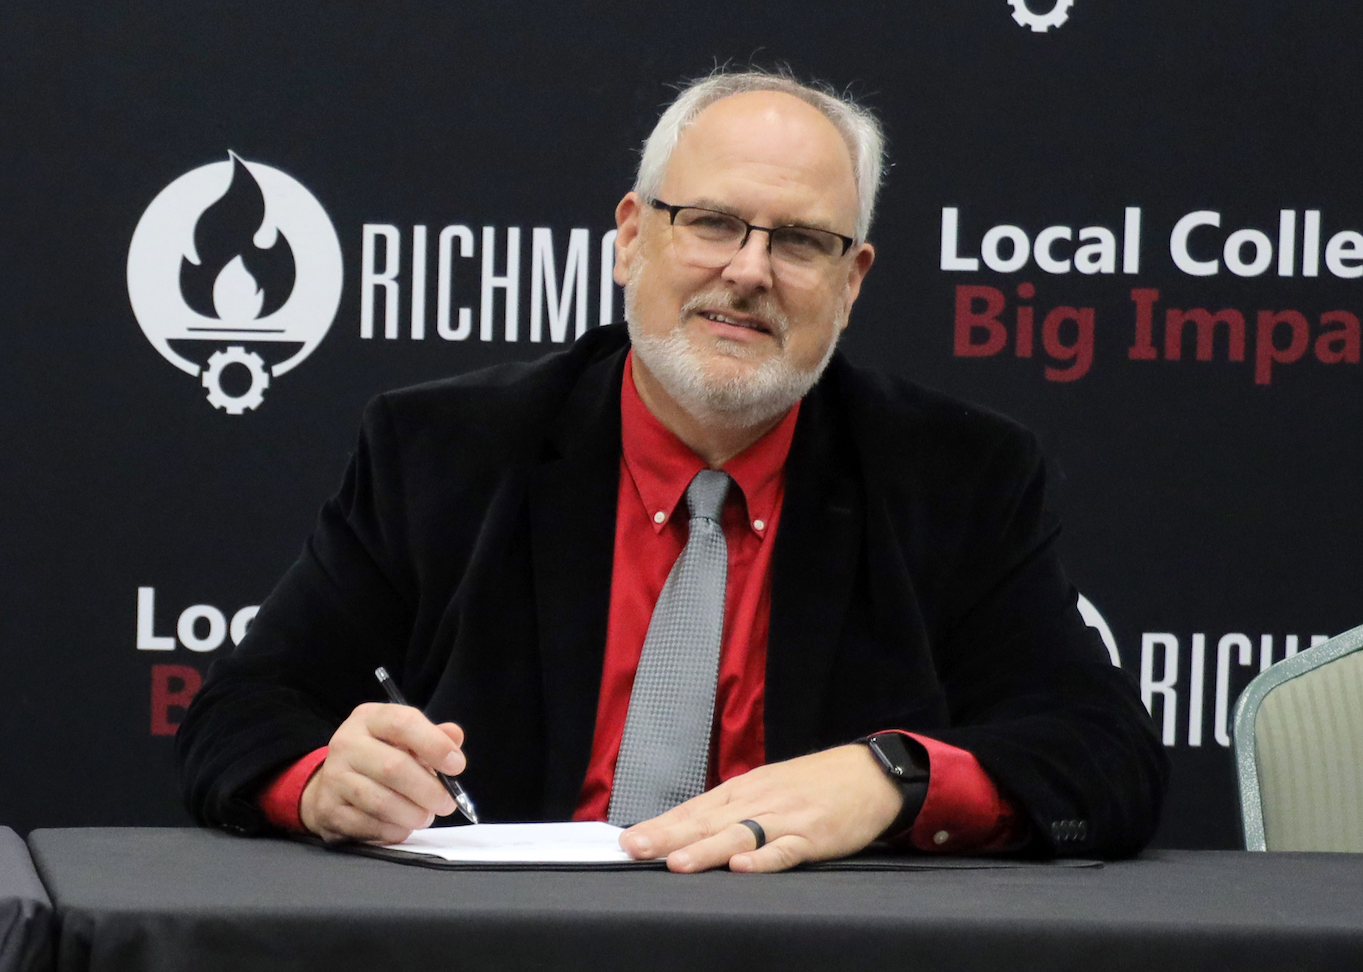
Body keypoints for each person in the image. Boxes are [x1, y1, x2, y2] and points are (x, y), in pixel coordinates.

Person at [178, 70, 1165, 868]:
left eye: (802, 242)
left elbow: (1104, 758)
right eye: (712, 223)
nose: (748, 270)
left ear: (852, 281)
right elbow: (242, 714)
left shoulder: (959, 474)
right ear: (631, 236)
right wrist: (318, 782)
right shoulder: (442, 448)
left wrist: (892, 781)